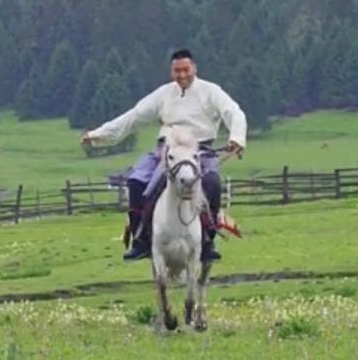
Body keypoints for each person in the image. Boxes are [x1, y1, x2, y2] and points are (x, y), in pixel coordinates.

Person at [81, 49, 246, 262]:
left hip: (200, 150)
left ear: (194, 68)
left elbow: (233, 112)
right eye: (177, 71)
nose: (182, 75)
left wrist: (237, 138)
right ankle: (140, 240)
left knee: (212, 184)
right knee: (136, 181)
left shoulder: (211, 91)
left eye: (185, 69)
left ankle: (207, 240)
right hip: (166, 150)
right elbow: (133, 117)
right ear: (171, 72)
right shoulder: (163, 94)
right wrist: (97, 135)